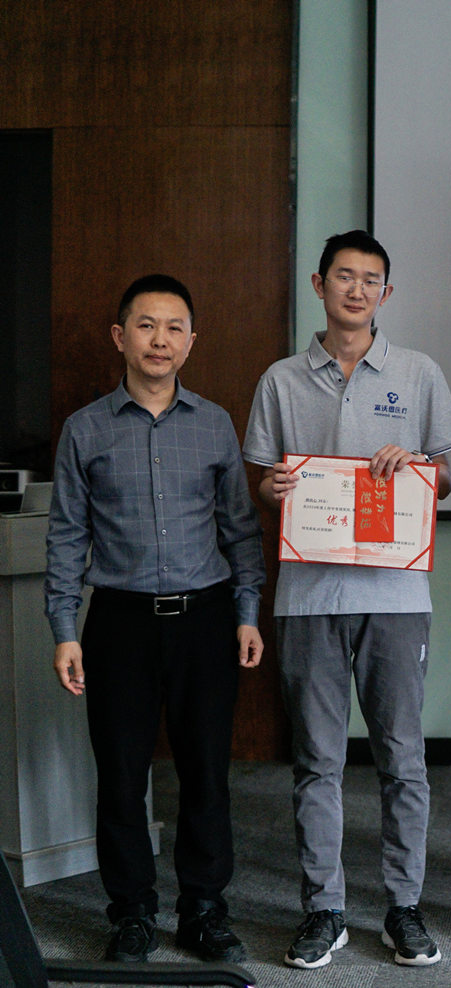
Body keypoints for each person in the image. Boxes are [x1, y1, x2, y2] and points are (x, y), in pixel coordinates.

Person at [243, 230, 451, 969]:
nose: (357, 290)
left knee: (403, 758)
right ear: (320, 284)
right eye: (344, 276)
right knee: (317, 760)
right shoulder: (281, 380)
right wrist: (274, 488)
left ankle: (404, 906)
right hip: (308, 596)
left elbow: (444, 482)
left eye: (371, 279)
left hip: (396, 595)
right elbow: (262, 484)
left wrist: (420, 468)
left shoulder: (418, 372)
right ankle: (325, 909)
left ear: (386, 293)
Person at [44, 274, 265, 963]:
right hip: (120, 624)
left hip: (205, 619)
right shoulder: (84, 429)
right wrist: (64, 630)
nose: (159, 340)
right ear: (121, 337)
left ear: (192, 341)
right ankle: (132, 913)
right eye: (146, 325)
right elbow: (66, 536)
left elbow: (240, 529)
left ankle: (203, 911)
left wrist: (248, 613)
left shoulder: (215, 424)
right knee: (120, 777)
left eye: (174, 327)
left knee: (206, 774)